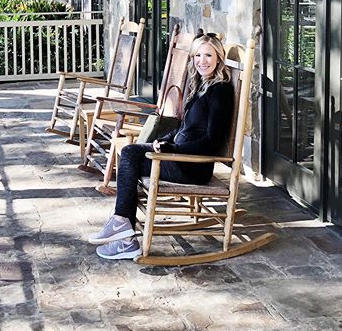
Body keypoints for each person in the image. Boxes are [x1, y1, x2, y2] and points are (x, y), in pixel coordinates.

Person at [87, 30, 234, 260]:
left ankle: (123, 229)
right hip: (178, 156)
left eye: (208, 56)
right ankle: (124, 231)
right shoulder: (201, 86)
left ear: (218, 58)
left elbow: (212, 140)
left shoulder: (220, 90)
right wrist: (166, 140)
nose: (202, 61)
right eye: (197, 56)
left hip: (192, 165)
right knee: (130, 153)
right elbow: (186, 127)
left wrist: (174, 149)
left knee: (130, 155)